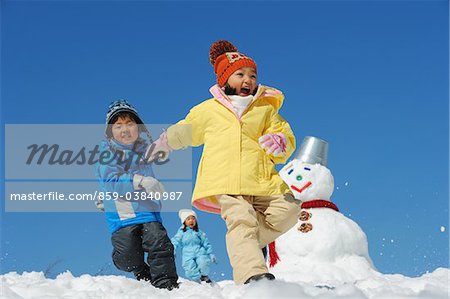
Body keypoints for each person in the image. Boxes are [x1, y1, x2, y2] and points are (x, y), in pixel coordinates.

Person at [149, 40, 301, 284]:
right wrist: (165, 141)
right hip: (226, 182)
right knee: (241, 221)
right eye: (240, 74)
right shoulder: (209, 110)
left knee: (290, 210)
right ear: (225, 79)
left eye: (252, 75)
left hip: (262, 180)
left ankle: (244, 243)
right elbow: (187, 130)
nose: (248, 80)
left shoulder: (265, 108)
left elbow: (283, 132)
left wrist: (280, 140)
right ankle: (252, 275)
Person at [95, 99, 179, 290]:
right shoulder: (107, 152)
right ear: (111, 132)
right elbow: (110, 179)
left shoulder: (144, 151)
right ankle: (141, 270)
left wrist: (169, 140)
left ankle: (167, 286)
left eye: (130, 124)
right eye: (118, 126)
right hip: (122, 214)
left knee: (160, 243)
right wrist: (139, 181)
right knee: (128, 258)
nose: (125, 129)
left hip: (147, 210)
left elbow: (161, 147)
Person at [171, 209, 216, 283]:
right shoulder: (181, 232)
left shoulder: (199, 232)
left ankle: (204, 277)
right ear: (184, 222)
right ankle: (196, 281)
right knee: (189, 269)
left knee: (203, 263)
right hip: (187, 254)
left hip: (200, 252)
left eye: (193, 218)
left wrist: (210, 253)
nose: (191, 221)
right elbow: (175, 241)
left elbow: (206, 242)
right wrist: (173, 250)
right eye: (188, 219)